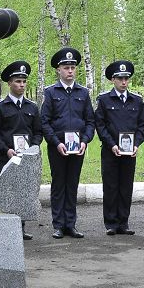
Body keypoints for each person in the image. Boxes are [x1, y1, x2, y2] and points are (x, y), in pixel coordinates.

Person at [39, 48, 94, 240]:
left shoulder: (83, 93)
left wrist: (85, 141)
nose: (70, 71)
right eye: (66, 67)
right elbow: (44, 122)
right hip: (58, 147)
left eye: (72, 67)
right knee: (58, 184)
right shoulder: (50, 92)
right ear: (58, 70)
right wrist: (56, 143)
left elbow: (90, 121)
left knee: (72, 184)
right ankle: (58, 225)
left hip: (77, 147)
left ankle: (71, 224)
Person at [0, 60, 43, 240]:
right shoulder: (0, 108)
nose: (21, 85)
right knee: (6, 192)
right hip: (6, 157)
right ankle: (6, 229)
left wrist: (33, 150)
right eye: (17, 81)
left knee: (22, 191)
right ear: (9, 83)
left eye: (24, 81)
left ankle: (20, 228)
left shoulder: (32, 107)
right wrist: (6, 150)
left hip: (26, 158)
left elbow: (38, 132)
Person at [94, 60, 144, 235]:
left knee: (126, 186)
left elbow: (142, 125)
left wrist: (137, 143)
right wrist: (112, 144)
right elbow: (100, 125)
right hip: (110, 151)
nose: (124, 82)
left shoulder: (136, 101)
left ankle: (123, 222)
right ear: (112, 79)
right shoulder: (105, 100)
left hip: (130, 152)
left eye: (126, 78)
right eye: (120, 78)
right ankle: (111, 223)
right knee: (111, 186)